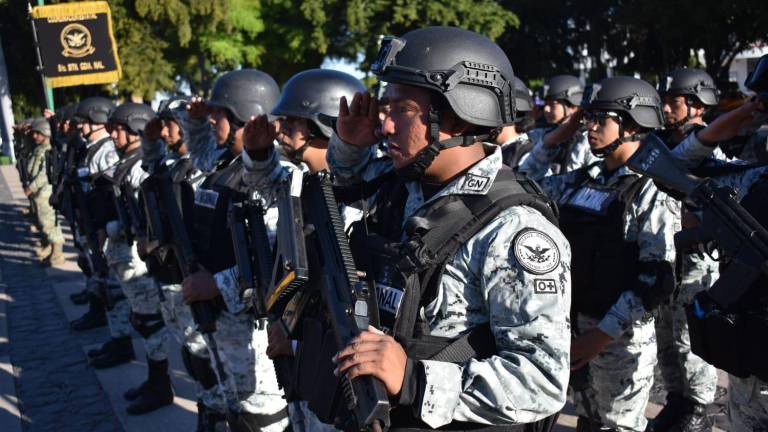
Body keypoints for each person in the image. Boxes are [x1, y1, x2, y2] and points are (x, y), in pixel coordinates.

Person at [323, 26, 571, 430]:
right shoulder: (401, 187)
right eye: (385, 110)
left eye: (400, 110)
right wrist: (349, 146)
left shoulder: (512, 229)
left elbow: (541, 380)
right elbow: (345, 189)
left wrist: (414, 380)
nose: (385, 127)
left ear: (456, 114)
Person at [521, 76, 679, 431]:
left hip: (619, 342)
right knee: (588, 424)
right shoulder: (584, 179)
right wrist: (556, 137)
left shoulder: (652, 188)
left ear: (632, 124)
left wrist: (599, 337)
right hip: (575, 332)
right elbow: (521, 179)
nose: (590, 128)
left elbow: (656, 279)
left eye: (600, 119)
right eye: (589, 118)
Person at [181, 69, 290, 432]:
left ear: (245, 114)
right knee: (234, 408)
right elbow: (197, 154)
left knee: (262, 416)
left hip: (255, 325)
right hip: (222, 319)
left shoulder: (278, 175)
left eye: (220, 113)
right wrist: (194, 123)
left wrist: (217, 284)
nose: (213, 119)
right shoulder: (223, 163)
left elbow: (277, 252)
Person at [651, 68, 722, 432]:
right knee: (667, 335)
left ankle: (697, 405)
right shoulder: (666, 144)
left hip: (696, 261)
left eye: (673, 101)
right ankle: (677, 398)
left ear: (696, 104)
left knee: (690, 337)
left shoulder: (707, 150)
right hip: (667, 259)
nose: (665, 107)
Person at [105, 102, 173, 414]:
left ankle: (161, 384)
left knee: (151, 321)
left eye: (119, 128)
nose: (113, 135)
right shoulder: (128, 163)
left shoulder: (138, 167)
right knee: (144, 319)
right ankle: (155, 378)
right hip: (131, 249)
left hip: (140, 255)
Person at [24, 117, 65, 266]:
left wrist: (32, 187)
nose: (34, 136)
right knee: (44, 223)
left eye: (37, 133)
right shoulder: (39, 148)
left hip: (45, 192)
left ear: (45, 132)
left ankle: (57, 253)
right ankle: (50, 247)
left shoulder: (48, 150)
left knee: (50, 224)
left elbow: (44, 174)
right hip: (39, 194)